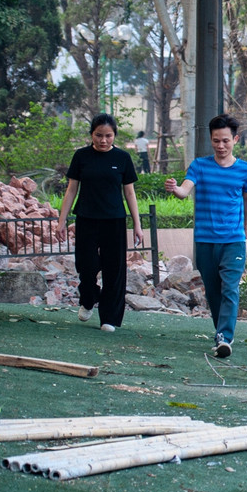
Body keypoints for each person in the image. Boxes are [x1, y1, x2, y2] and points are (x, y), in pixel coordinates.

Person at [165, 114, 247, 358]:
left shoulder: (246, 170)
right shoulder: (199, 166)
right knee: (213, 291)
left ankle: (226, 337)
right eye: (216, 141)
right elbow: (185, 190)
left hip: (233, 240)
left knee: (230, 288)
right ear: (211, 140)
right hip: (205, 240)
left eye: (225, 140)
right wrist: (176, 189)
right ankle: (219, 333)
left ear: (235, 139)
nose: (221, 146)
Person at [58, 113, 144, 333]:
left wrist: (137, 224)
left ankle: (109, 318)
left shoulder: (123, 158)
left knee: (114, 270)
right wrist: (61, 221)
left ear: (114, 135)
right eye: (99, 135)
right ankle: (88, 298)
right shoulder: (81, 156)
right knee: (86, 266)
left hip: (114, 220)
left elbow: (130, 194)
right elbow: (71, 190)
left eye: (108, 136)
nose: (103, 140)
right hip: (86, 218)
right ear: (91, 135)